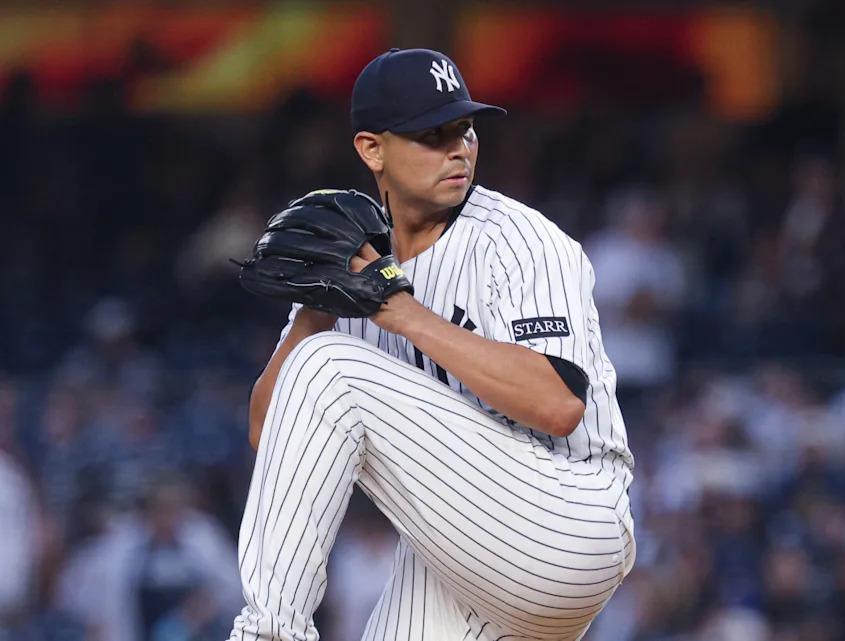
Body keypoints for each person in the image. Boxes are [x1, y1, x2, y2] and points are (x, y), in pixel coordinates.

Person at [229, 48, 635, 641]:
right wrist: (310, 318)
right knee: (317, 360)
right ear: (372, 149)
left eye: (464, 130)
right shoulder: (350, 254)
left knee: (329, 370)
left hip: (569, 518)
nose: (458, 149)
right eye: (431, 135)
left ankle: (268, 633)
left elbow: (558, 404)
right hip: (462, 547)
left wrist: (402, 313)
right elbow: (270, 434)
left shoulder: (518, 241)